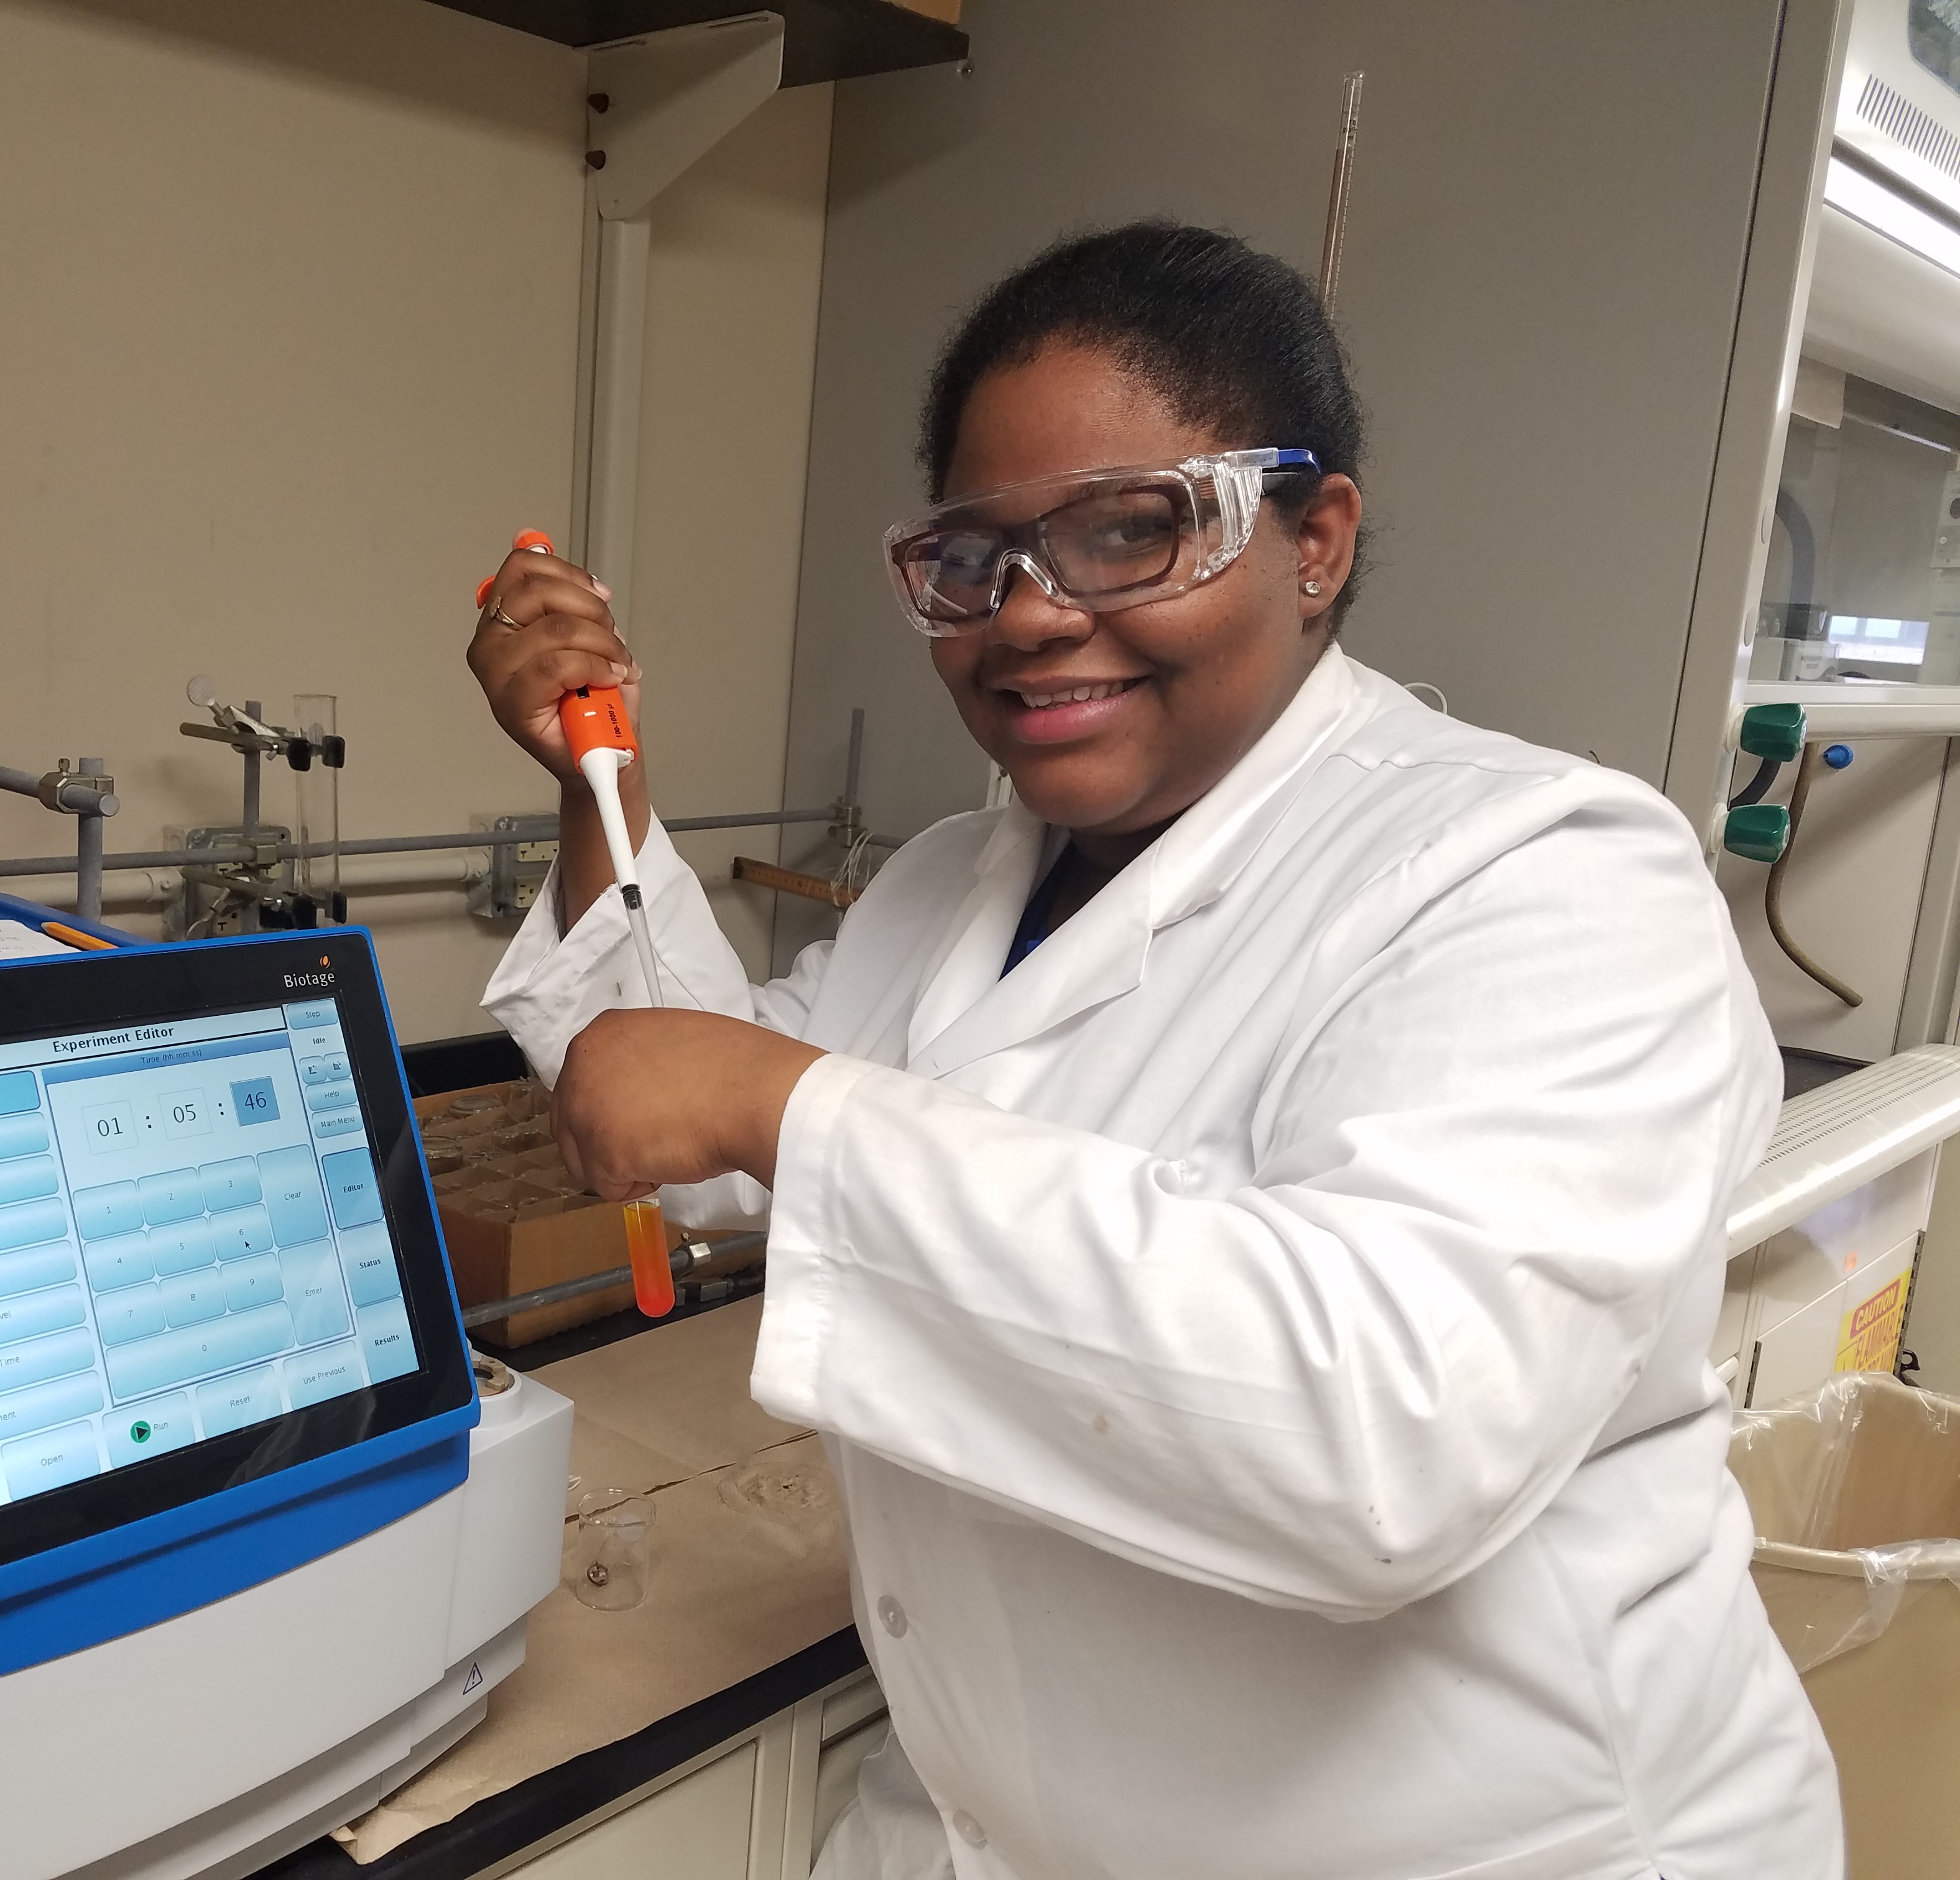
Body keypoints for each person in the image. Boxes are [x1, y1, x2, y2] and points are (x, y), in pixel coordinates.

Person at [467, 223, 1840, 1880]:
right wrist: (591, 783)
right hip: (1001, 1817)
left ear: (1313, 536)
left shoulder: (1543, 871)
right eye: (973, 559)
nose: (1031, 616)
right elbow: (695, 1129)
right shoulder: (950, 883)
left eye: (1131, 531)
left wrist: (789, 1108)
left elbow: (1387, 1442)